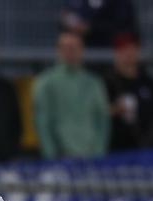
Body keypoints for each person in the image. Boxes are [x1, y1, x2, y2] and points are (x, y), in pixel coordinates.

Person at [33, 31, 111, 159]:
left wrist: (98, 154)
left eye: (74, 47)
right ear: (57, 50)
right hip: (60, 160)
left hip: (91, 160)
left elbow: (102, 120)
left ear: (82, 50)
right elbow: (42, 123)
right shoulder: (45, 83)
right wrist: (51, 157)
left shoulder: (94, 83)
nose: (69, 52)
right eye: (65, 47)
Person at [100, 33, 153, 151]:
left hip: (147, 149)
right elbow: (95, 113)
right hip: (115, 149)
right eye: (123, 49)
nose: (128, 53)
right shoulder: (105, 83)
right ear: (116, 53)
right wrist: (114, 110)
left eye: (132, 48)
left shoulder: (149, 83)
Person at [60, 0, 139, 49]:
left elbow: (121, 25)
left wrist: (90, 28)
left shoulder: (120, 3)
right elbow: (65, 17)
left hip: (110, 52)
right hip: (82, 54)